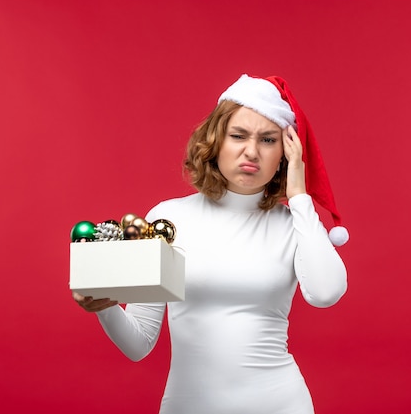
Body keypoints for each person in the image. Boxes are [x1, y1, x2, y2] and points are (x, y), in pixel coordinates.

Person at [73, 74, 349, 414]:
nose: (251, 150)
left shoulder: (295, 225)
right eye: (238, 135)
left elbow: (325, 293)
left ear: (285, 154)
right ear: (216, 140)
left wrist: (300, 197)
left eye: (267, 140)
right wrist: (104, 306)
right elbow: (139, 343)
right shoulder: (168, 220)